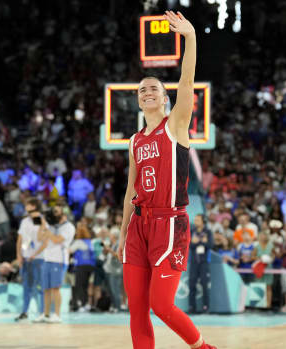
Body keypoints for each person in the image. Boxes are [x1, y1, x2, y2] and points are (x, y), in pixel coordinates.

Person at [117, 11, 215, 349]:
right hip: (137, 228)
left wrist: (190, 38)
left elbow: (186, 82)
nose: (147, 91)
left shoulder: (175, 126)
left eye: (154, 88)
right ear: (138, 99)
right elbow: (131, 190)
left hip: (170, 224)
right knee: (137, 308)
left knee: (161, 305)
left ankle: (203, 347)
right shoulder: (134, 140)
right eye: (142, 89)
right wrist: (122, 233)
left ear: (164, 97)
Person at [35, 204, 75, 323]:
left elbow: (57, 240)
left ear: (63, 214)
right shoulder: (51, 226)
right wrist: (42, 224)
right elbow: (39, 238)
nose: (54, 214)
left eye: (56, 212)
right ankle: (46, 314)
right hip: (47, 259)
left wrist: (47, 230)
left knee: (55, 288)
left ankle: (57, 315)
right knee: (46, 288)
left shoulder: (69, 227)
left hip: (59, 260)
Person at [14, 198, 46, 322]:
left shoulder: (43, 220)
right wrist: (19, 255)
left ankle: (42, 312)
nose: (25, 206)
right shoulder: (24, 221)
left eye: (27, 204)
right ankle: (24, 311)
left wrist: (36, 254)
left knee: (40, 286)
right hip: (26, 257)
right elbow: (20, 239)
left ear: (33, 206)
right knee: (26, 286)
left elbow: (44, 241)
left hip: (39, 258)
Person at [188, 214, 213, 314]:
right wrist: (200, 241)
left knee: (204, 284)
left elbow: (210, 245)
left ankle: (206, 307)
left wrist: (197, 242)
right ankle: (192, 307)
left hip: (203, 262)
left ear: (203, 221)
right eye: (195, 219)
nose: (195, 221)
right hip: (194, 262)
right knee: (192, 284)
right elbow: (189, 244)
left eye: (198, 219)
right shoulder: (192, 231)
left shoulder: (208, 232)